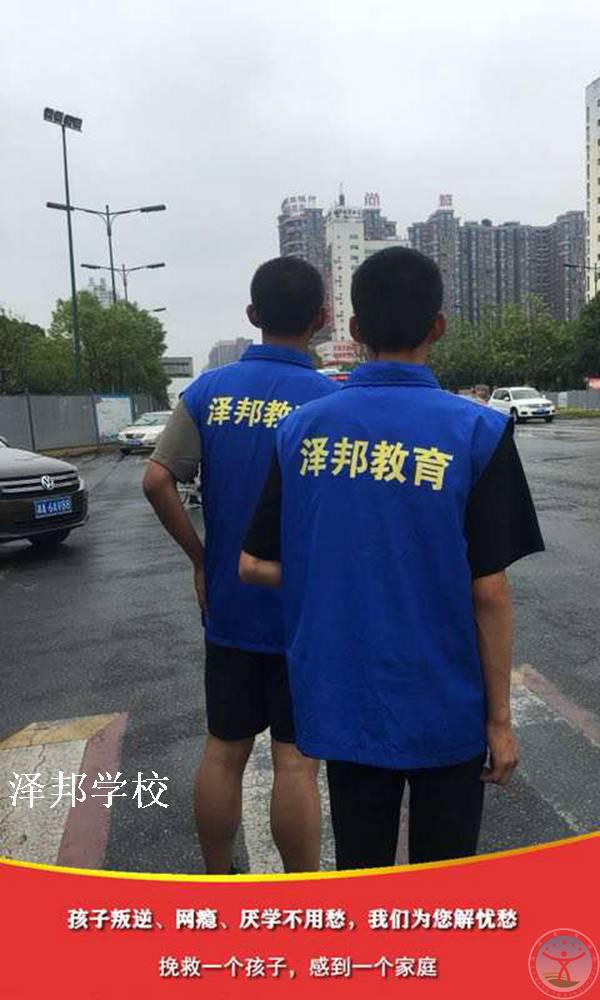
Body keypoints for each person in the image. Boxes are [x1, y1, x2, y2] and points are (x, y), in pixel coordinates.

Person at [240, 247, 544, 870]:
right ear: (439, 326)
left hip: (346, 699)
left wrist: (337, 574)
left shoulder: (301, 431)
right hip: (446, 703)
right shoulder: (478, 432)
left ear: (355, 330)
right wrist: (499, 722)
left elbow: (253, 564)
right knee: (443, 882)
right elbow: (488, 593)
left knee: (363, 873)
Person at [143, 257, 337, 874]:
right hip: (303, 613)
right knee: (295, 763)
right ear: (322, 318)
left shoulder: (207, 393)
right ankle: (302, 892)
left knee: (224, 751)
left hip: (230, 608)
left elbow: (156, 480)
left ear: (253, 316)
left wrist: (203, 560)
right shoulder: (331, 403)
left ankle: (219, 877)